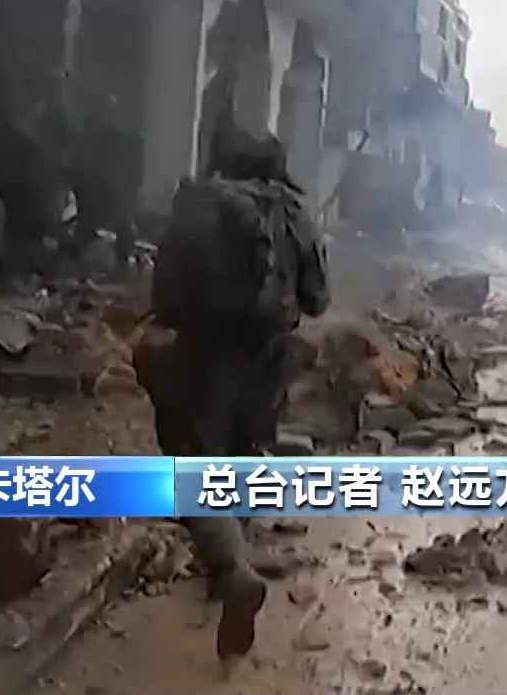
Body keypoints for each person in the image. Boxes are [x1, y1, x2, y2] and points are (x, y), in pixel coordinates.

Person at [138, 116, 329, 663]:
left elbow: (166, 295)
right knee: (246, 455)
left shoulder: (199, 202)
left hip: (207, 352)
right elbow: (318, 299)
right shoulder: (294, 211)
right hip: (269, 357)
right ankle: (228, 571)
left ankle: (234, 572)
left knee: (192, 463)